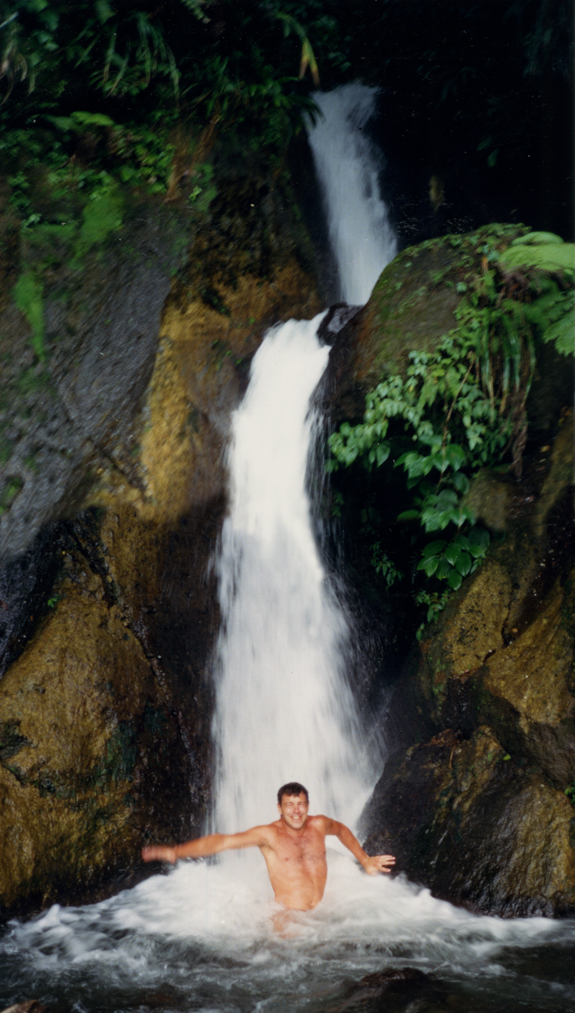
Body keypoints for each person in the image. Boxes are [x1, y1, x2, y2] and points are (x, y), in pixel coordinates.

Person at [142, 781, 396, 912]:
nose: (296, 811)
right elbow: (221, 841)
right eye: (289, 805)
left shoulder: (319, 825)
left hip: (322, 916)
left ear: (307, 805)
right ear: (279, 808)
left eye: (301, 804)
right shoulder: (268, 835)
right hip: (290, 922)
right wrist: (175, 852)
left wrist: (365, 860)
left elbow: (341, 830)